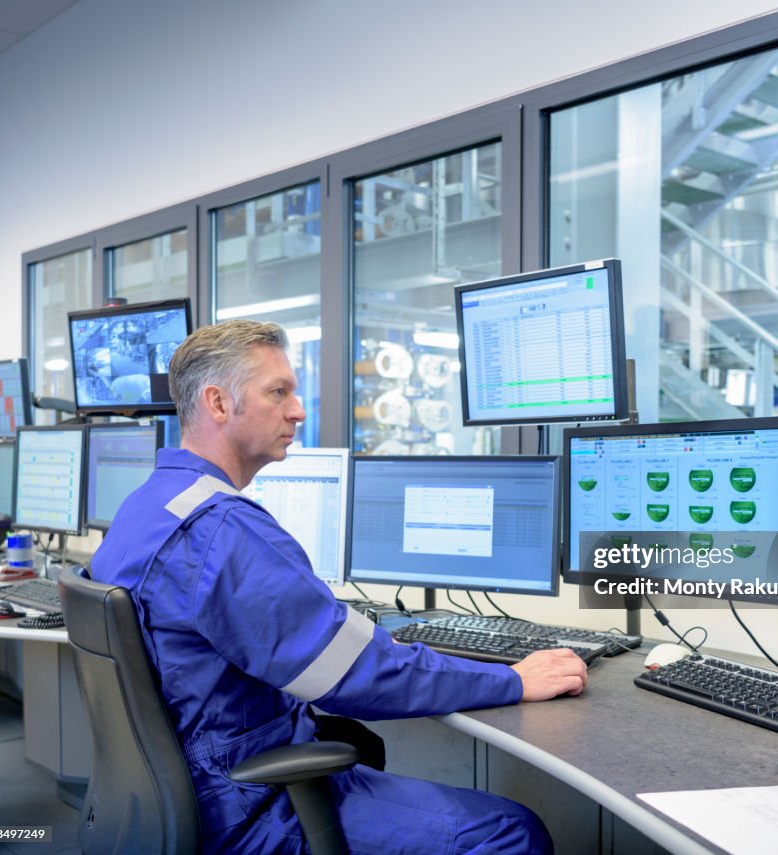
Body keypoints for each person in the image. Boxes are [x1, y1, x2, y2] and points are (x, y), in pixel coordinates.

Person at [90, 320, 588, 854]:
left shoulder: (148, 505)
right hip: (244, 805)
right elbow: (357, 676)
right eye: (278, 392)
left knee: (356, 743)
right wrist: (511, 679)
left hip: (178, 790)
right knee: (508, 833)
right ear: (217, 403)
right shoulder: (221, 530)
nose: (297, 410)